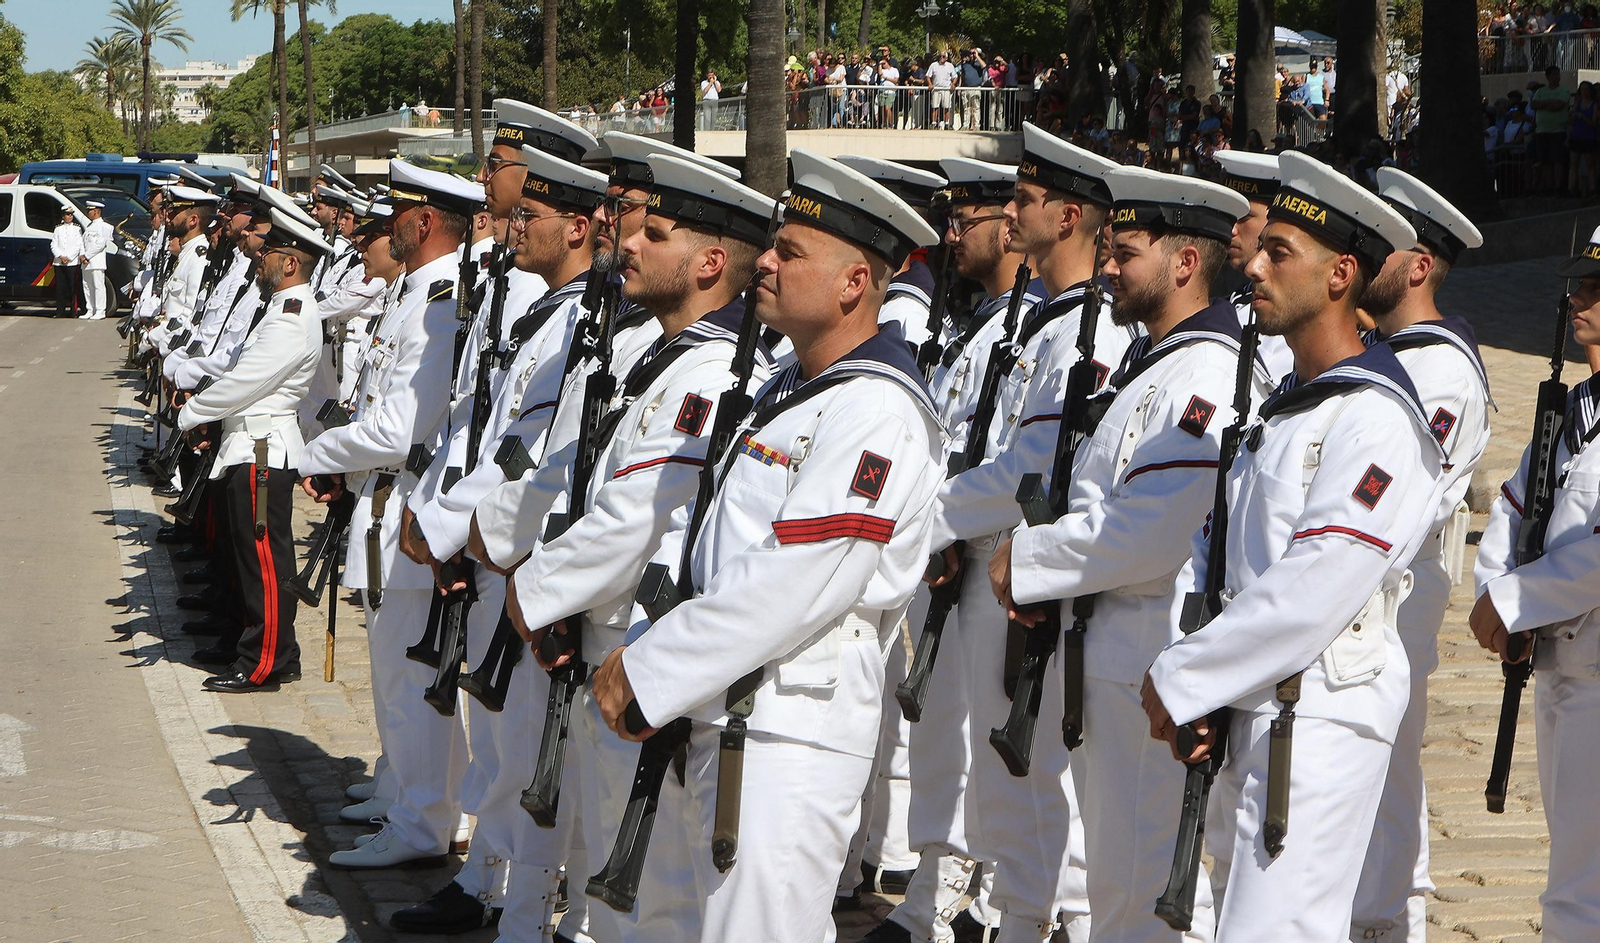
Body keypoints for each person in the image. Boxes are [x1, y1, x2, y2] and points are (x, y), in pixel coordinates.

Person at [583, 149, 942, 943]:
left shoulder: (878, 410)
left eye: (791, 251)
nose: (767, 262)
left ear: (854, 283)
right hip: (721, 705)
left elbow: (794, 577)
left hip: (788, 728)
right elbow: (700, 536)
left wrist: (651, 666)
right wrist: (648, 647)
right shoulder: (787, 387)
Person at [1141, 151, 1439, 943]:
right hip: (1255, 705)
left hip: (1318, 712)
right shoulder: (1286, 407)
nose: (1254, 267)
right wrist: (1202, 674)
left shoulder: (1376, 417)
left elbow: (1318, 581)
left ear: (1341, 274)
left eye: (1280, 252)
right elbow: (1214, 551)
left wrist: (1187, 674)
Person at [502, 149, 775, 943]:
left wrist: (530, 593)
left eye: (654, 234)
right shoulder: (665, 355)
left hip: (641, 649)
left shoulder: (710, 373)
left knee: (647, 900)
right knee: (613, 882)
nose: (627, 241)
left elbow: (630, 524)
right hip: (604, 638)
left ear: (710, 263)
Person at [991, 165, 1268, 943]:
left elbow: (1152, 528)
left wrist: (1030, 559)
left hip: (1152, 653)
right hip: (1113, 657)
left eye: (1126, 252)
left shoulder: (1205, 370)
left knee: (1144, 894)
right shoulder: (1161, 360)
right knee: (1121, 883)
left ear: (1185, 263)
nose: (1107, 265)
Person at [924, 125, 1135, 943]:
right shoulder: (1048, 322)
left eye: (1023, 198)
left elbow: (1030, 468)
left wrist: (929, 516)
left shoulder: (1092, 330)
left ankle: (1050, 922)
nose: (1008, 213)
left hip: (1028, 572)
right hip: (998, 566)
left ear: (1070, 216)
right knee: (1008, 780)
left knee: (1037, 779)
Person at [300, 160, 482, 871]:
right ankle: (415, 799)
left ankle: (421, 823)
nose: (385, 227)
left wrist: (313, 452)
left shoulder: (440, 297)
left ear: (425, 221)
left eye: (397, 215)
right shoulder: (413, 291)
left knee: (411, 682)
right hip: (384, 499)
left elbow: (399, 427)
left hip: (406, 503)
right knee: (400, 677)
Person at [1349, 168, 1489, 943]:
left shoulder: (1437, 366)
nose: (1367, 255)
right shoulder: (1390, 348)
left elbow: (1409, 498)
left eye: (1385, 245)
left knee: (1384, 754)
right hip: (1374, 575)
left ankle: (1387, 918)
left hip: (1399, 580)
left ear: (1419, 266)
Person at [1470, 232, 1600, 943]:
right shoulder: (1571, 413)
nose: (1578, 298)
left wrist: (1516, 599)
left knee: (1579, 894)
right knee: (1573, 871)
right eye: (1577, 284)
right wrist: (1495, 587)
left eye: (1597, 289)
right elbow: (1518, 507)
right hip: (1559, 671)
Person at [177, 206, 331, 693]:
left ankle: (264, 661)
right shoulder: (283, 308)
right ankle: (267, 649)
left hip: (262, 450)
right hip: (249, 442)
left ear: (291, 263)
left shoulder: (291, 316)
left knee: (264, 562)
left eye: (269, 254)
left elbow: (246, 380)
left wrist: (192, 412)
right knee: (249, 558)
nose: (259, 259)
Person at [1213, 151, 1295, 382]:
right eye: (1229, 217)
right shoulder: (1238, 299)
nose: (1231, 230)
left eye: (1244, 217)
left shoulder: (1293, 315)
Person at [1532, 64, 1573, 192]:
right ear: (1548, 76)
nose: (1557, 77)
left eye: (1558, 74)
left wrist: (1543, 105)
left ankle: (1558, 187)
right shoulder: (1540, 91)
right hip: (1541, 131)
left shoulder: (1563, 90)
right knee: (1545, 161)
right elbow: (1534, 105)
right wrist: (1550, 102)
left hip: (1558, 131)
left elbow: (1559, 105)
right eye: (1554, 74)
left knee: (1558, 161)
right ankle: (1548, 187)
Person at [81, 201, 114, 320]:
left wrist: (87, 256)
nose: (88, 212)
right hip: (86, 262)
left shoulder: (104, 226)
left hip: (96, 261)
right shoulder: (89, 226)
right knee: (87, 286)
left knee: (98, 286)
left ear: (96, 211)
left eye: (89, 210)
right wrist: (82, 255)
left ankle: (100, 310)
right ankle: (90, 309)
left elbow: (100, 244)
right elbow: (83, 242)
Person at [51, 207, 85, 318]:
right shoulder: (58, 229)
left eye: (71, 214)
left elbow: (78, 245)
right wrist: (60, 256)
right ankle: (60, 311)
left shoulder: (77, 229)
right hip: (59, 262)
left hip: (72, 262)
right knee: (60, 288)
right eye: (67, 214)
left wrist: (68, 257)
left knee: (73, 287)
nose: (70, 216)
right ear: (63, 216)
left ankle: (73, 311)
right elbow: (53, 244)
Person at [928, 50, 958, 130]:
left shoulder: (950, 66)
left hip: (946, 89)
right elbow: (928, 76)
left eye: (943, 56)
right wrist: (930, 84)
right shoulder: (933, 65)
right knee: (935, 106)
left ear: (946, 58)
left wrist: (953, 84)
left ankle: (947, 123)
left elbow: (955, 76)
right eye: (940, 56)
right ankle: (934, 123)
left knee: (946, 107)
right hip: (936, 89)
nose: (941, 58)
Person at [960, 47, 987, 130]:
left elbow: (984, 66)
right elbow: (962, 75)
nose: (972, 55)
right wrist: (960, 87)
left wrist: (977, 56)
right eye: (970, 53)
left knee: (976, 108)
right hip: (966, 88)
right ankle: (965, 125)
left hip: (975, 88)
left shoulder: (979, 64)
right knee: (966, 108)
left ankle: (976, 125)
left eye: (973, 53)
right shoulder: (965, 64)